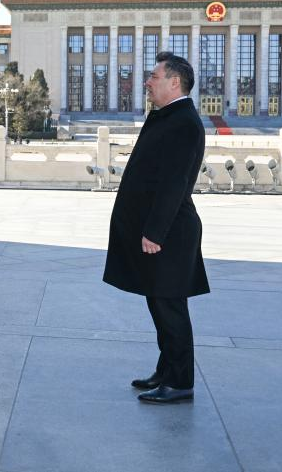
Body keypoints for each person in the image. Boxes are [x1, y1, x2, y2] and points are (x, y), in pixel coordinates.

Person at [103, 52, 208, 404]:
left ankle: (180, 382)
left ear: (174, 82)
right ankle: (166, 370)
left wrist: (155, 232)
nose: (147, 81)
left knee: (170, 307)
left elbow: (174, 184)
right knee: (158, 303)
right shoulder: (167, 116)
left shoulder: (184, 122)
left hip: (170, 233)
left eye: (154, 76)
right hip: (159, 231)